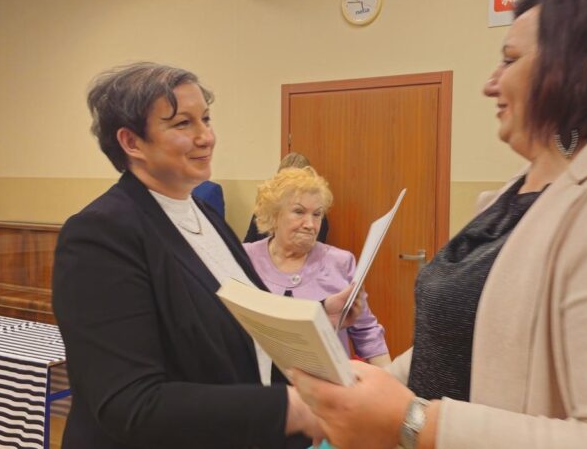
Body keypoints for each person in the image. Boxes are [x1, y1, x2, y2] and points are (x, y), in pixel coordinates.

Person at [290, 0, 587, 449]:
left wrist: (413, 422)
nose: (490, 84)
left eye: (509, 60)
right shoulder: (514, 198)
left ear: (575, 70)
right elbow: (455, 346)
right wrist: (355, 393)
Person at [51, 63, 361, 449]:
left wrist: (320, 313)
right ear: (132, 142)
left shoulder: (201, 212)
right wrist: (291, 409)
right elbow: (131, 403)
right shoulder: (100, 235)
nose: (206, 137)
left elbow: (235, 314)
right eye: (183, 123)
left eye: (206, 119)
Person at [244, 166, 391, 366]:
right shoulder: (246, 258)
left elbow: (367, 332)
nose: (310, 225)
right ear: (274, 214)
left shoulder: (340, 262)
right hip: (258, 381)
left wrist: (389, 379)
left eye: (317, 214)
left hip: (326, 382)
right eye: (299, 212)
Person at [244, 152, 329, 243]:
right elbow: (246, 245)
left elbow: (314, 249)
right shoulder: (264, 210)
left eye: (298, 183)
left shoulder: (317, 217)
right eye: (285, 182)